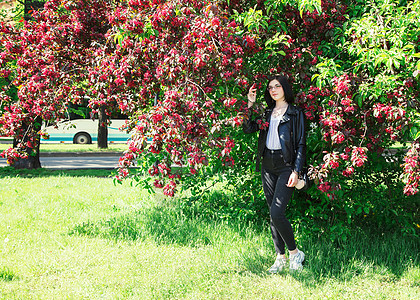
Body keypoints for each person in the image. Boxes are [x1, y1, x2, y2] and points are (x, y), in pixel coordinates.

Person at [243, 74, 306, 273]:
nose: (273, 89)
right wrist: (250, 105)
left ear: (285, 88)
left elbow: (301, 144)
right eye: (270, 87)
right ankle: (280, 257)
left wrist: (296, 170)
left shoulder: (295, 113)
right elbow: (247, 128)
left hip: (285, 165)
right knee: (272, 213)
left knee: (277, 212)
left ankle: (295, 254)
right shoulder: (267, 112)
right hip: (267, 164)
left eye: (277, 86)